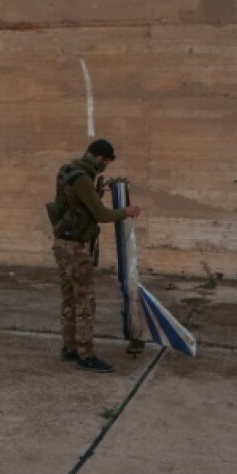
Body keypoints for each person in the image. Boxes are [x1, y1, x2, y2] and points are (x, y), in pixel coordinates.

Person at [49, 138, 142, 373]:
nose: (105, 167)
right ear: (101, 158)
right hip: (74, 248)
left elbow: (76, 206)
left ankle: (69, 347)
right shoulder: (82, 178)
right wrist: (126, 212)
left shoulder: (70, 171)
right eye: (107, 162)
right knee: (85, 302)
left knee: (69, 298)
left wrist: (96, 192)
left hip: (62, 243)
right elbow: (101, 214)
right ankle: (85, 354)